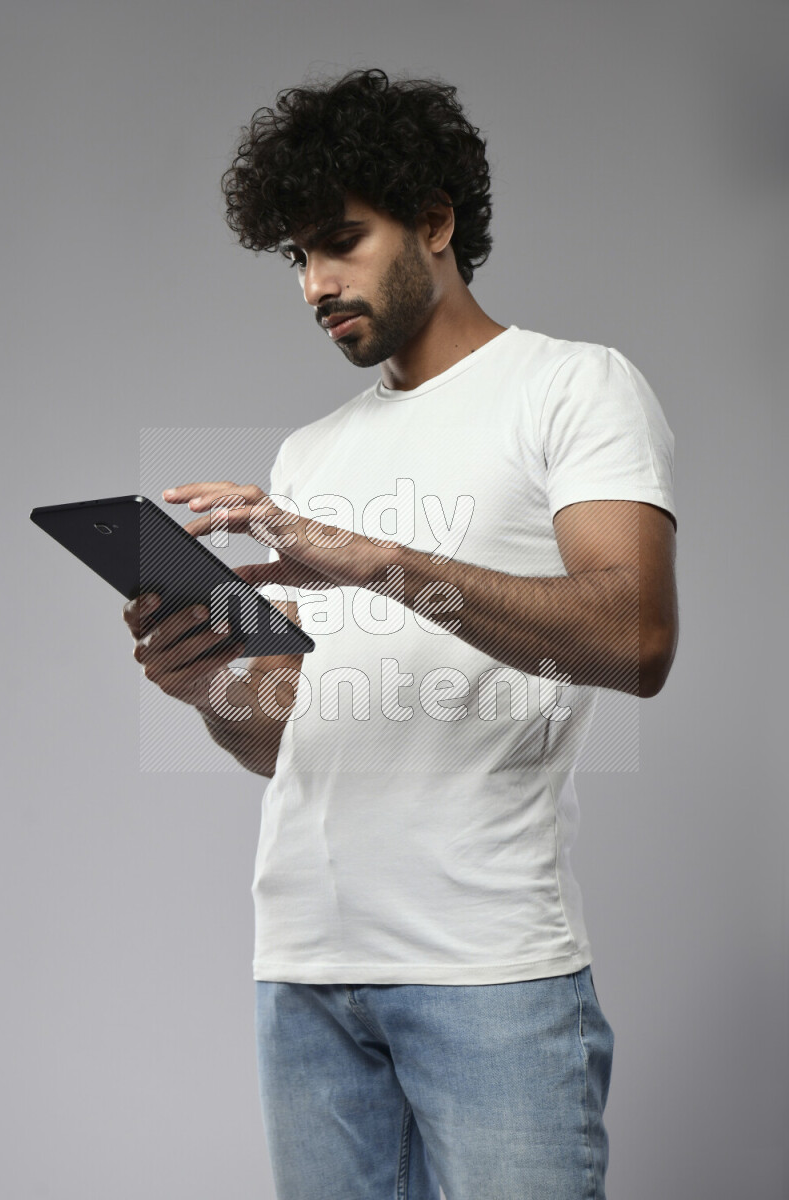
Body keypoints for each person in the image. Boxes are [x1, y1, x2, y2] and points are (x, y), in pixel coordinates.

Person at [123, 68, 678, 1200]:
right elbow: (290, 738)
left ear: (433, 221)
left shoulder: (571, 388)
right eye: (296, 258)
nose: (316, 285)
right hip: (306, 970)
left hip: (487, 973)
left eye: (341, 241)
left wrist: (376, 563)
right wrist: (213, 689)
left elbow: (633, 637)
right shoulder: (311, 455)